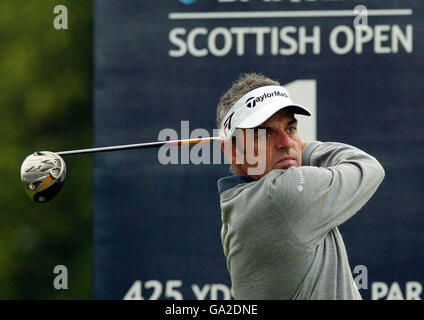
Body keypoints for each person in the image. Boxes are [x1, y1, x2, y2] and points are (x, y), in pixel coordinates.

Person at [216, 73, 385, 300]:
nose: (285, 143)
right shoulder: (282, 195)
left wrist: (288, 148)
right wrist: (299, 147)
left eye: (291, 128)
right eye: (265, 133)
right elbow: (367, 167)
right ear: (233, 151)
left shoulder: (239, 201)